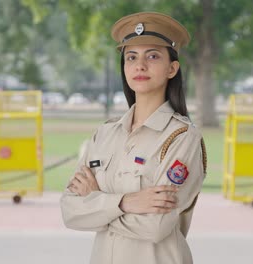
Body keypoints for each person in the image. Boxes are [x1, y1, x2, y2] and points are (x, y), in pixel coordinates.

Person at [60, 11, 207, 264]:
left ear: (172, 68)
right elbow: (70, 211)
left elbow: (156, 226)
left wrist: (97, 203)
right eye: (131, 57)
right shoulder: (105, 134)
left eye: (152, 56)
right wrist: (127, 202)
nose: (140, 65)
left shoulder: (182, 137)